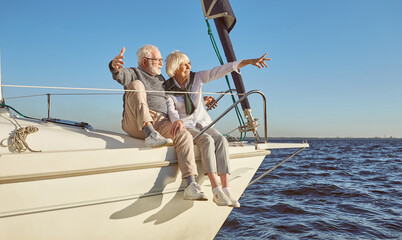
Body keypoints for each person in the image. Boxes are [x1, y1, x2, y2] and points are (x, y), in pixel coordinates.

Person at [164, 51, 270, 207]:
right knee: (206, 140)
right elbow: (171, 109)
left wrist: (248, 61)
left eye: (189, 63)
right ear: (175, 67)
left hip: (203, 122)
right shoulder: (168, 87)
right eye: (184, 64)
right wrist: (176, 121)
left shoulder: (197, 78)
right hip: (186, 125)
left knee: (220, 139)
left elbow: (220, 70)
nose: (188, 66)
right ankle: (216, 189)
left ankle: (226, 188)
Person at [109, 45, 207, 201]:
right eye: (159, 60)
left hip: (161, 121)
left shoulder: (162, 80)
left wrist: (201, 102)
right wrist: (114, 67)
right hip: (136, 120)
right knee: (136, 85)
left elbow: (178, 98)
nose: (162, 63)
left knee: (183, 134)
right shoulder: (134, 72)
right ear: (145, 61)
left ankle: (190, 185)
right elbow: (121, 76)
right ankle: (150, 134)